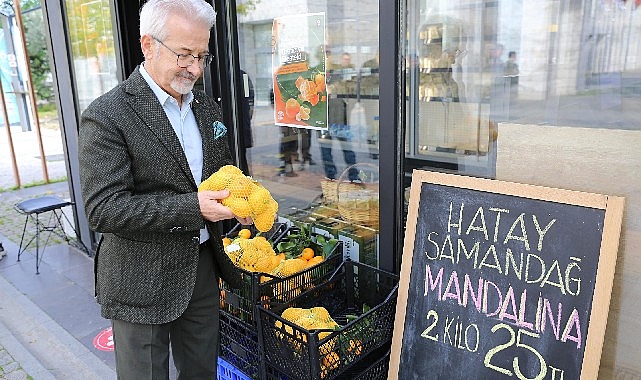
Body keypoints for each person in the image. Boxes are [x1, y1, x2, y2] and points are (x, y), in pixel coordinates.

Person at [77, 1, 248, 378]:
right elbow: (104, 209)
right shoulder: (107, 115)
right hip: (140, 277)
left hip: (203, 264)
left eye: (203, 55)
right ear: (148, 45)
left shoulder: (205, 106)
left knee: (202, 370)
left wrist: (240, 199)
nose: (196, 68)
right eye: (184, 54)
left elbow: (225, 173)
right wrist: (195, 208)